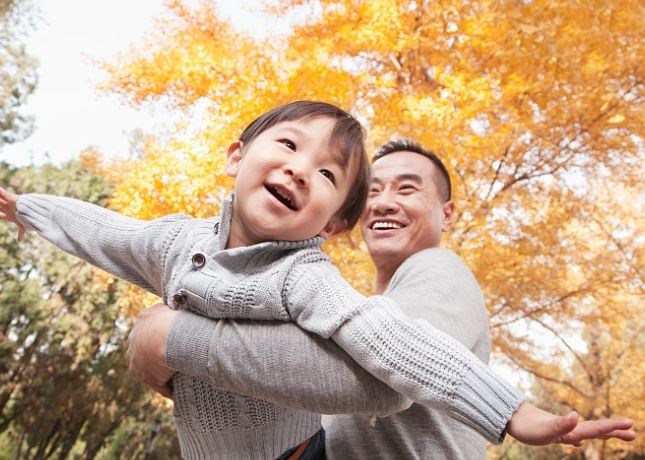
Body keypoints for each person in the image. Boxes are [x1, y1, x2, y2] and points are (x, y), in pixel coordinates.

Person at [1, 102, 633, 459]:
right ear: (236, 156)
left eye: (330, 176)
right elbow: (111, 233)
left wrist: (511, 411)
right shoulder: (178, 240)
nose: (302, 171)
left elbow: (393, 359)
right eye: (287, 146)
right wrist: (28, 208)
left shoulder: (316, 278)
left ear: (331, 225)